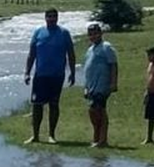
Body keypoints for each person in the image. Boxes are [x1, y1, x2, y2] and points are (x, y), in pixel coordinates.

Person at [23, 8, 76, 144]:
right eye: (49, 16)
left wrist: (72, 73)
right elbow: (31, 54)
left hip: (57, 75)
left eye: (54, 16)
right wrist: (27, 73)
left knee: (54, 105)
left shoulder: (64, 33)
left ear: (57, 18)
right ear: (45, 18)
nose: (52, 19)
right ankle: (35, 135)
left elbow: (70, 54)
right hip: (40, 75)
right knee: (37, 105)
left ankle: (52, 135)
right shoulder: (38, 33)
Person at [82, 22, 118, 148]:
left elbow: (113, 65)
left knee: (100, 111)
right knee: (92, 112)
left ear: (100, 33)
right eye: (90, 34)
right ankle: (96, 137)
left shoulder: (106, 47)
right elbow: (87, 69)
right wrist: (86, 87)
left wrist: (113, 83)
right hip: (91, 86)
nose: (93, 36)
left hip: (102, 85)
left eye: (96, 34)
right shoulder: (90, 49)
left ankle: (103, 140)